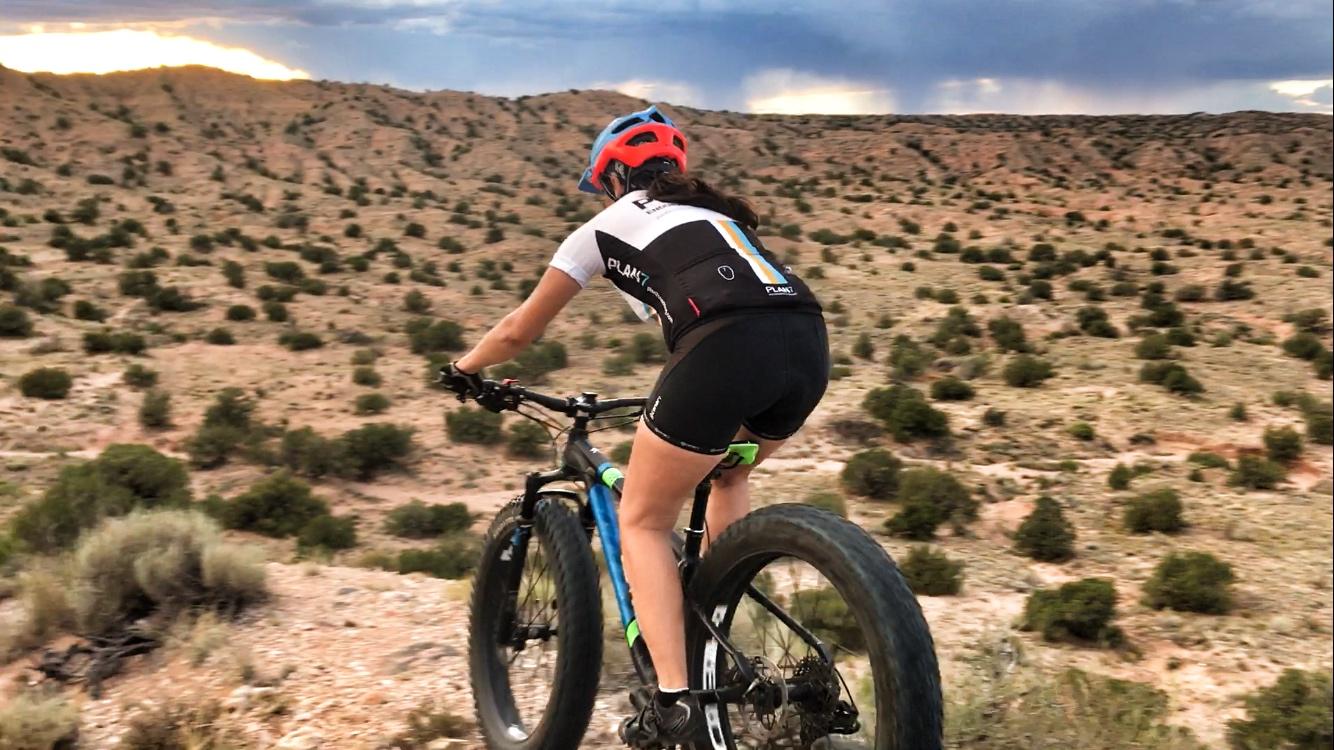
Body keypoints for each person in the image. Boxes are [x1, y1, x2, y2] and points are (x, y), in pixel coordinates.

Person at [442, 104, 828, 746]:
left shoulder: (600, 230)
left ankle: (677, 704)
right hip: (807, 343)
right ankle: (715, 634)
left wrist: (463, 369)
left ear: (615, 177)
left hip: (722, 347)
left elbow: (519, 331)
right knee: (727, 472)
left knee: (643, 520)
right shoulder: (717, 216)